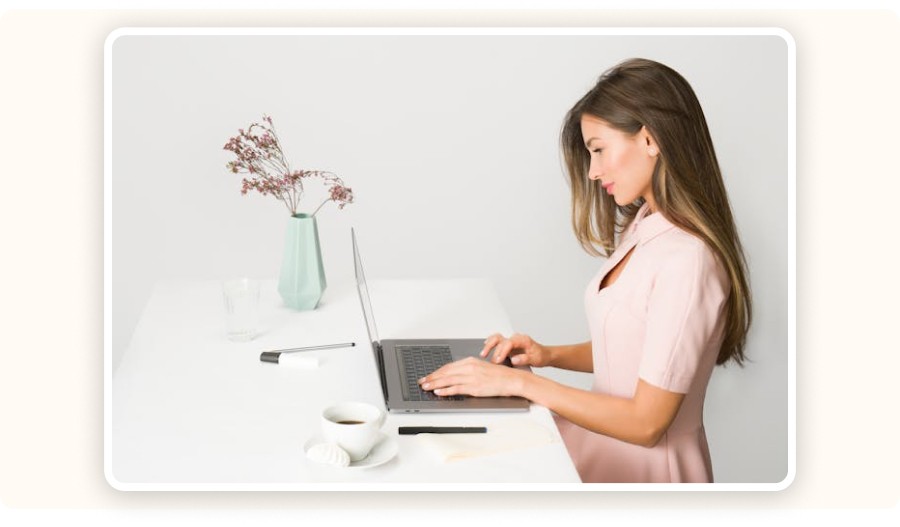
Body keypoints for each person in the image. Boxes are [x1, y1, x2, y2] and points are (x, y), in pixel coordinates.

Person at [418, 58, 752, 483]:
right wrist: (546, 355)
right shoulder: (645, 225)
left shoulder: (688, 260)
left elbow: (647, 424)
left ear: (650, 139)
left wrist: (522, 385)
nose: (593, 172)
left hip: (649, 472)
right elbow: (633, 348)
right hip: (601, 446)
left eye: (598, 149)